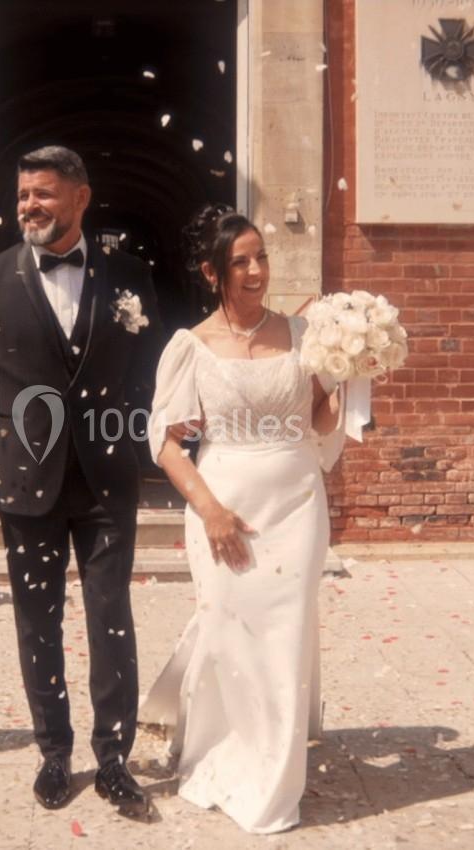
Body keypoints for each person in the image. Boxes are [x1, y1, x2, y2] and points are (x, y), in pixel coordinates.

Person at [0, 145, 162, 818]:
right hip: (25, 482)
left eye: (43, 193)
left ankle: (114, 758)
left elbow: (151, 374)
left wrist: (150, 447)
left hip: (106, 481)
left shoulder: (129, 277)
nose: (29, 206)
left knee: (110, 618)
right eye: (23, 196)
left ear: (80, 198)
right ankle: (52, 753)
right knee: (37, 621)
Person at [138, 205, 338, 834]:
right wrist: (212, 510)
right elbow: (165, 442)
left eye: (262, 257)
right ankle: (223, 743)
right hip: (222, 504)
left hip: (298, 506)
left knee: (284, 637)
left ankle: (275, 780)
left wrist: (354, 386)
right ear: (212, 273)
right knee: (229, 630)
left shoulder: (304, 335)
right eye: (241, 261)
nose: (256, 271)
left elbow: (321, 421)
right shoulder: (190, 347)